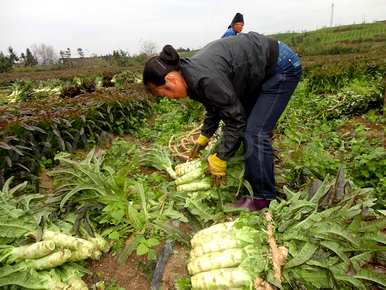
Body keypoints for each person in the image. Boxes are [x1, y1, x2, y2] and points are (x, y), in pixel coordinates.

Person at [143, 32, 301, 211]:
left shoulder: (204, 78)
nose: (171, 99)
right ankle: (254, 181)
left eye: (167, 95)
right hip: (260, 70)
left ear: (170, 80)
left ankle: (263, 198)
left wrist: (221, 157)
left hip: (281, 66)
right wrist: (205, 135)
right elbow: (215, 104)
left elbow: (235, 120)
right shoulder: (189, 75)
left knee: (255, 132)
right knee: (248, 129)